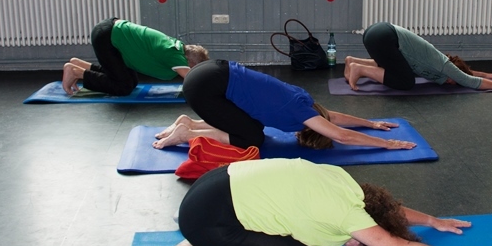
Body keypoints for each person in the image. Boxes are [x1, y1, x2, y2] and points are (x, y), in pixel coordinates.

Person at [162, 158, 492, 246]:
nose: (353, 245)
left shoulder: (343, 183)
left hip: (210, 188)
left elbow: (386, 211)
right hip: (207, 221)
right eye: (362, 244)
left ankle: (196, 239)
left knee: (287, 219)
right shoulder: (347, 216)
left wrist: (431, 220)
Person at [152, 59, 417, 151]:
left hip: (212, 71)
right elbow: (341, 135)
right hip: (204, 88)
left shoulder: (304, 100)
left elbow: (333, 117)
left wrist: (370, 123)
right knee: (252, 138)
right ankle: (187, 134)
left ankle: (189, 122)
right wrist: (387, 144)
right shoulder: (301, 113)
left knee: (248, 123)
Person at [345, 21, 492, 92]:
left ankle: (353, 61)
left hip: (377, 33)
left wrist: (484, 74)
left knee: (399, 68)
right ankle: (359, 69)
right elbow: (470, 81)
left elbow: (466, 74)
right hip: (384, 37)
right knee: (405, 82)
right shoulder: (443, 65)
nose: (453, 82)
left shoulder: (436, 64)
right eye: (455, 79)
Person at [61, 18, 209, 96]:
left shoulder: (176, 47)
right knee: (123, 86)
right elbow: (193, 79)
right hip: (107, 37)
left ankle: (80, 66)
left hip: (110, 33)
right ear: (190, 62)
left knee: (130, 81)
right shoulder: (175, 56)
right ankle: (75, 72)